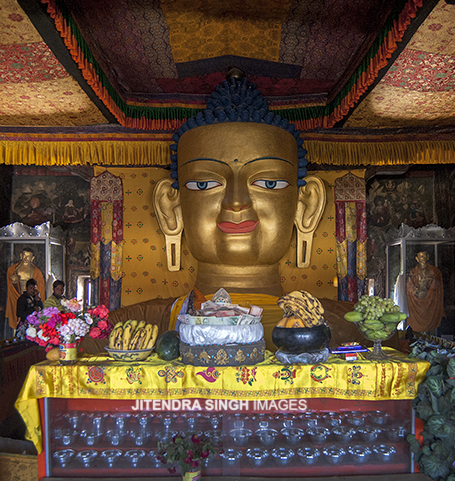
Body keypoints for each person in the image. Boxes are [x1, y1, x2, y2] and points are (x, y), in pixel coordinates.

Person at [80, 74, 392, 353]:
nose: (237, 202)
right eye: (204, 183)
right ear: (171, 209)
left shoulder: (355, 329)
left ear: (304, 206)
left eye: (269, 182)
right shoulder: (130, 329)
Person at [405, 250, 445, 333]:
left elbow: (438, 286)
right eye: (421, 256)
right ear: (417, 258)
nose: (423, 258)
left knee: (432, 325)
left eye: (424, 256)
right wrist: (416, 291)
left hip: (431, 300)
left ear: (428, 257)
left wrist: (431, 285)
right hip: (418, 301)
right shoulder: (413, 272)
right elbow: (409, 287)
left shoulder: (434, 271)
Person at [6, 248, 45, 331]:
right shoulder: (13, 269)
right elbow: (11, 287)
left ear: (32, 258)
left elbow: (40, 287)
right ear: (20, 255)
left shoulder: (36, 271)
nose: (25, 258)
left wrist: (37, 297)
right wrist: (15, 283)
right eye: (24, 255)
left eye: (28, 256)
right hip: (16, 295)